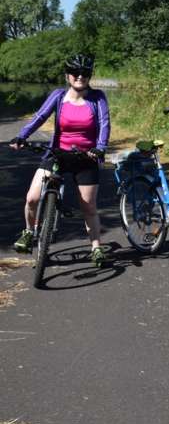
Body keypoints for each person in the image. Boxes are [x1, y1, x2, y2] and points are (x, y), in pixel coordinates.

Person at [11, 54, 111, 266]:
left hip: (86, 157)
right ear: (67, 76)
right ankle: (29, 232)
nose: (80, 76)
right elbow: (40, 117)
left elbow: (104, 124)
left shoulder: (98, 97)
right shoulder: (58, 96)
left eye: (85, 73)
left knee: (89, 207)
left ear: (90, 76)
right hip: (58, 154)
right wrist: (22, 136)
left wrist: (100, 148)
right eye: (75, 73)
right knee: (32, 198)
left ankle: (96, 248)